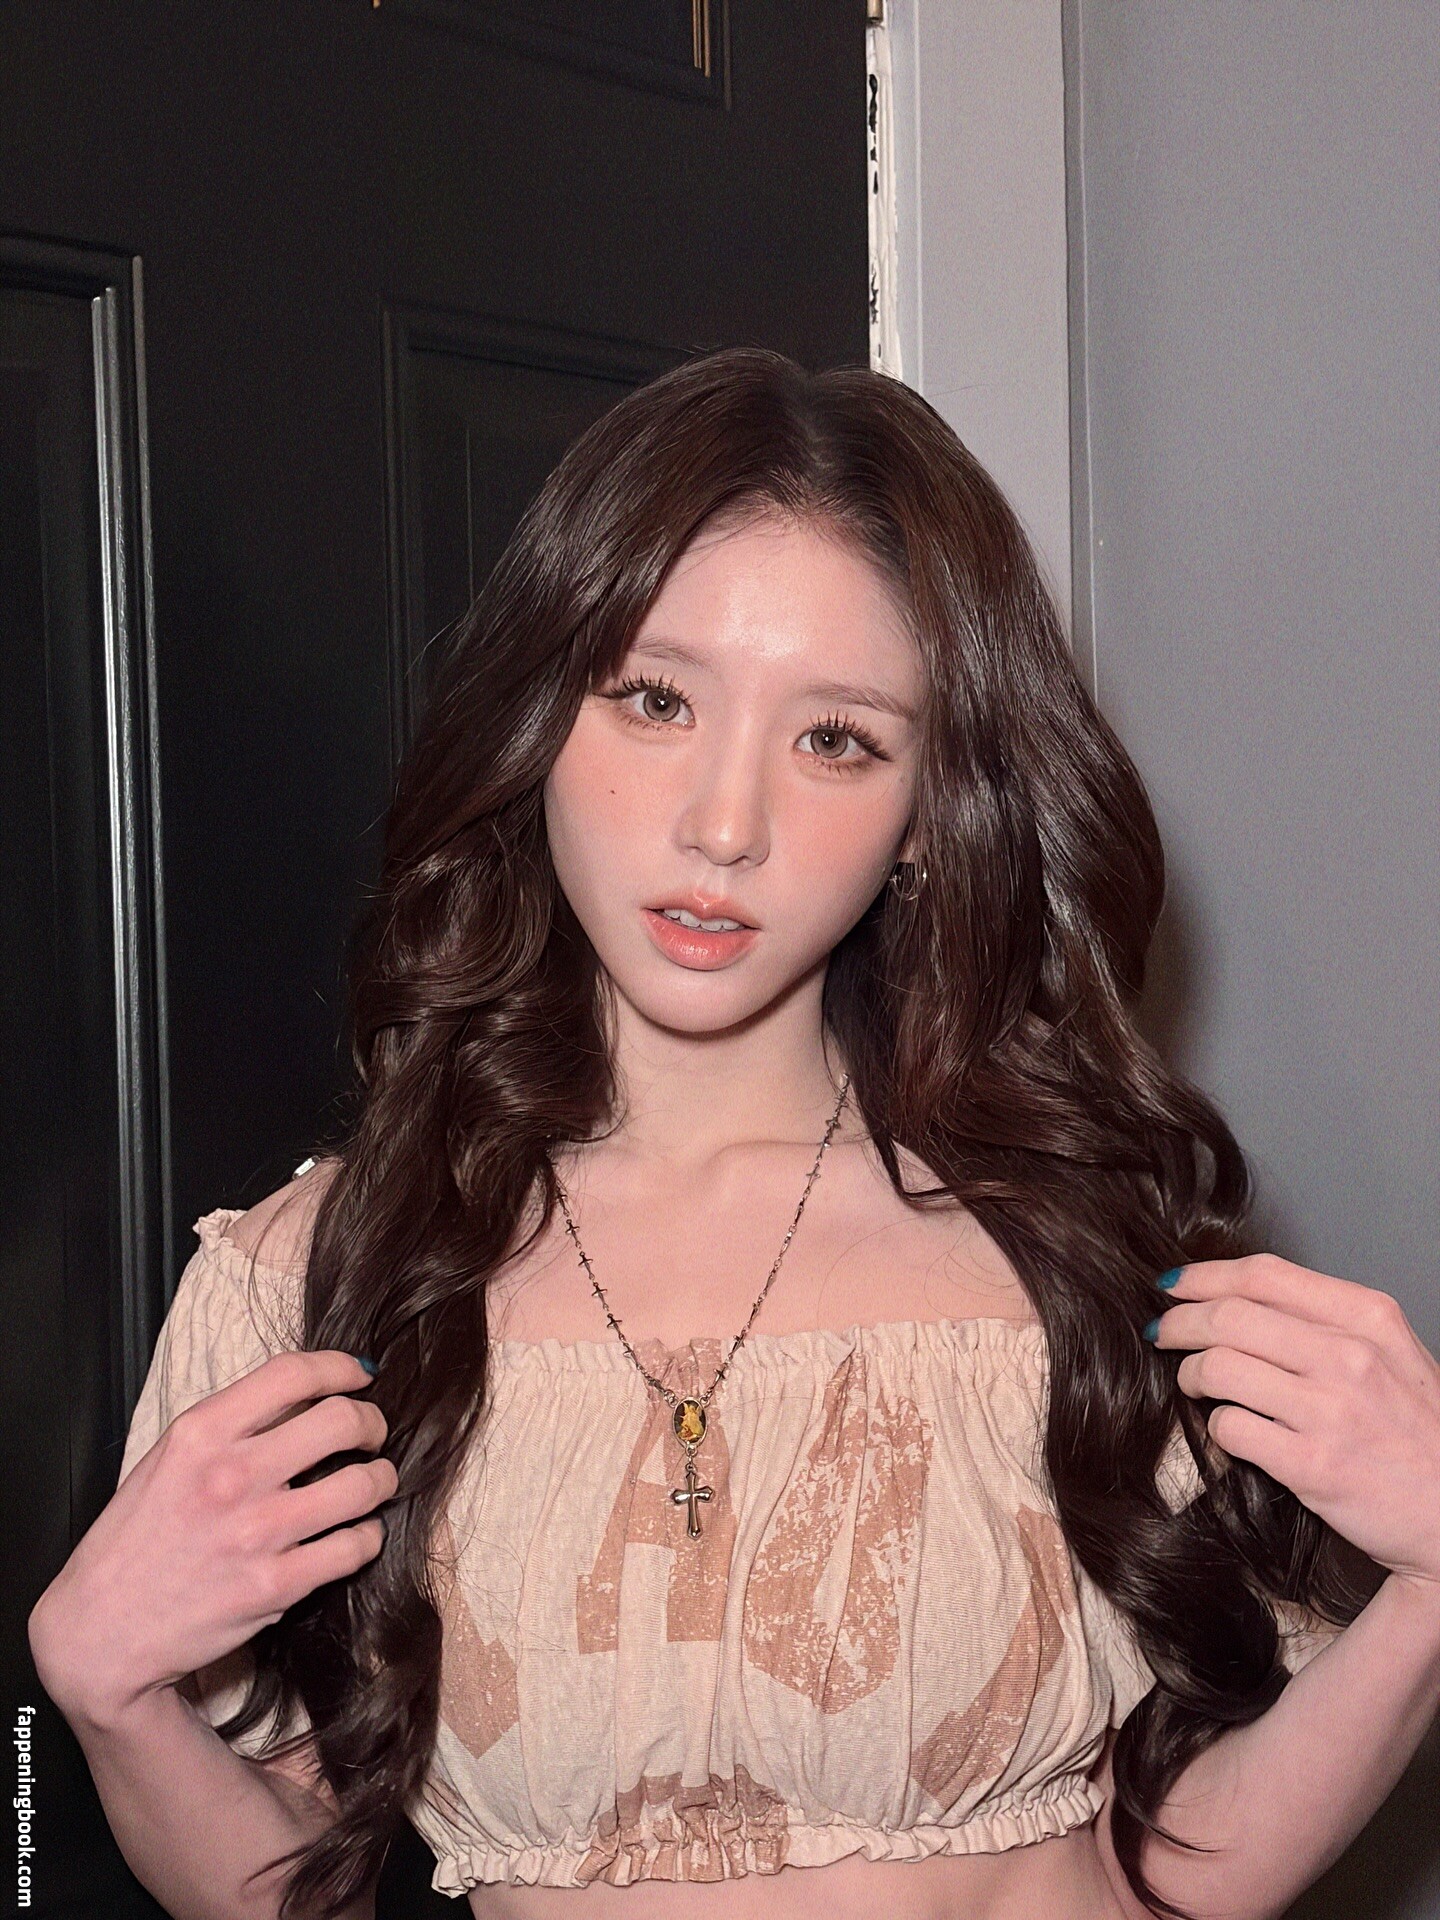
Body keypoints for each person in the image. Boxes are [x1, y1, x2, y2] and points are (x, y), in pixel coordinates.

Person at [29, 348, 1440, 1920]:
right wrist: (105, 1693)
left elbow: (1172, 1868)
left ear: (930, 815)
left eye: (836, 740)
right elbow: (290, 1888)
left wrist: (1436, 1582)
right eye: (654, 700)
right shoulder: (326, 1281)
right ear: (538, 721)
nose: (723, 825)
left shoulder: (1080, 1252)